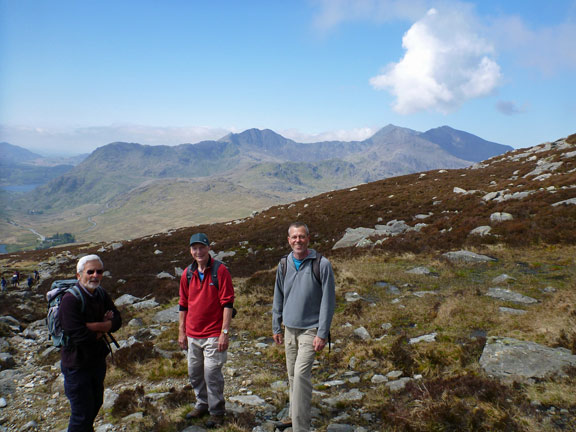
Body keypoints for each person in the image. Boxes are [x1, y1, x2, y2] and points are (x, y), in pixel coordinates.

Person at [272, 222, 336, 432]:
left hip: (311, 330)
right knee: (291, 375)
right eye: (294, 237)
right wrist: (276, 326)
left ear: (309, 238)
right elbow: (278, 296)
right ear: (288, 240)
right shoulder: (283, 264)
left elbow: (328, 301)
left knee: (300, 375)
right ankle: (293, 415)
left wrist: (322, 333)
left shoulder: (322, 264)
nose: (297, 240)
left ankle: (301, 427)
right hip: (289, 328)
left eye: (301, 236)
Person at [59, 254, 122, 431]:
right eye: (90, 271)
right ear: (79, 275)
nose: (95, 275)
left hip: (96, 361)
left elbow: (117, 321)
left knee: (95, 404)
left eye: (99, 271)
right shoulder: (70, 300)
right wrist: (105, 328)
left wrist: (95, 326)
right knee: (81, 414)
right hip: (76, 365)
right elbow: (79, 336)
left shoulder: (101, 293)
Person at [179, 233, 235, 428]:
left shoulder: (220, 271)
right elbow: (183, 304)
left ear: (208, 248)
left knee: (211, 373)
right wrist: (181, 332)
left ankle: (217, 411)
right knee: (194, 373)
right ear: (190, 251)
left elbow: (228, 304)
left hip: (213, 333)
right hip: (192, 333)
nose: (198, 251)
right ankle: (202, 404)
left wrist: (224, 333)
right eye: (194, 248)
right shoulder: (187, 273)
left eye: (201, 247)